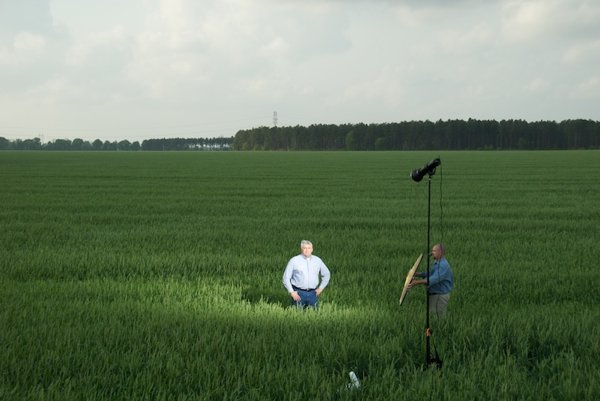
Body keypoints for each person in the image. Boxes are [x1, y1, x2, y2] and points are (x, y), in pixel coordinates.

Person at [282, 240, 331, 309]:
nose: (307, 250)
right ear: (301, 249)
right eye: (304, 248)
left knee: (314, 316)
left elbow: (326, 274)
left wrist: (320, 288)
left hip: (313, 293)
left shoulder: (317, 260)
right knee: (297, 315)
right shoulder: (294, 260)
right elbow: (286, 278)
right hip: (298, 293)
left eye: (309, 248)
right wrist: (291, 292)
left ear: (312, 249)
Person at [409, 243, 454, 315]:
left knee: (438, 318)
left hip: (439, 296)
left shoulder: (443, 266)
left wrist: (416, 282)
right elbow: (430, 274)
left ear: (441, 252)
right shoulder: (437, 262)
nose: (431, 253)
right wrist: (417, 274)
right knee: (432, 316)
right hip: (434, 295)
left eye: (434, 251)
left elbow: (432, 280)